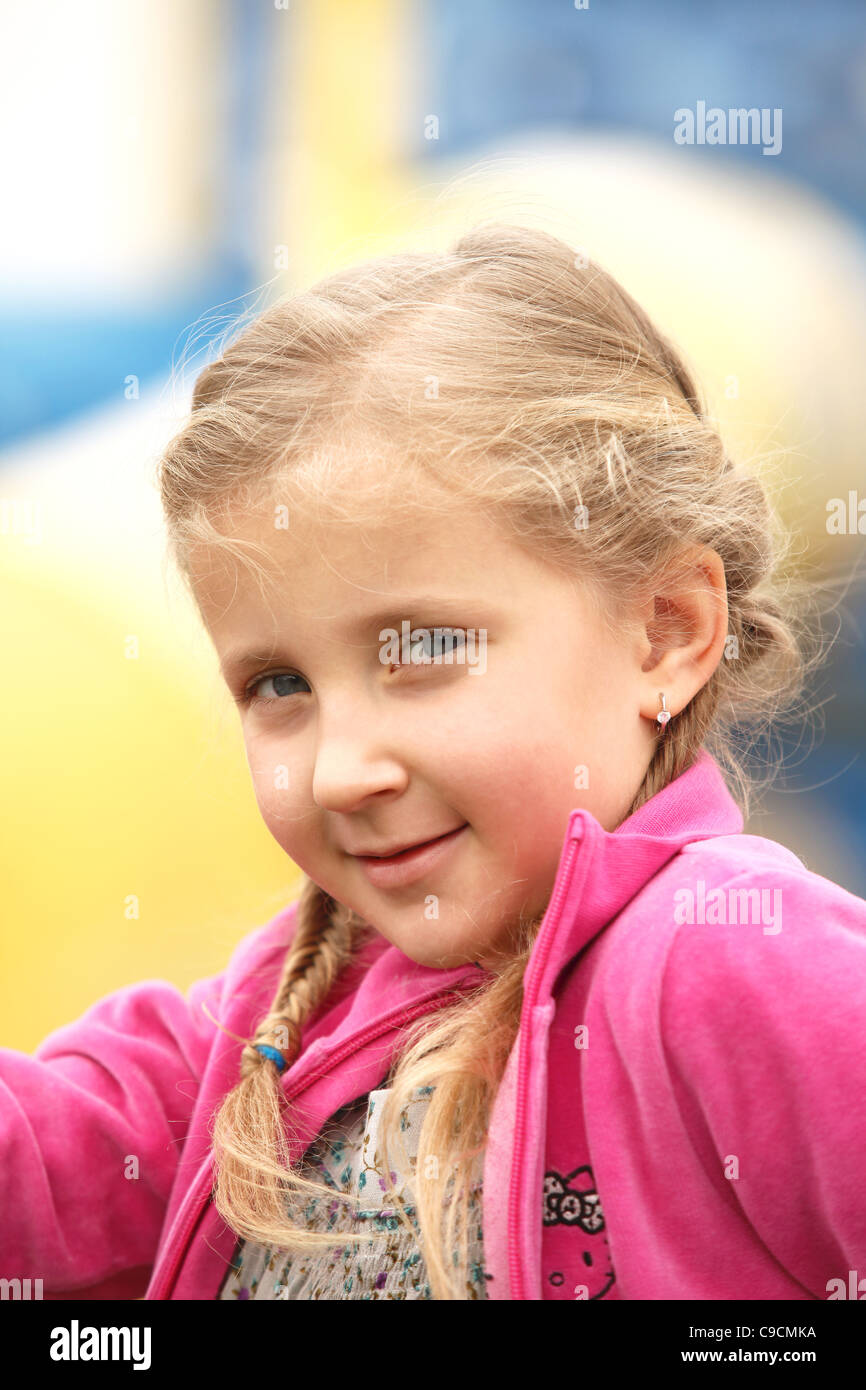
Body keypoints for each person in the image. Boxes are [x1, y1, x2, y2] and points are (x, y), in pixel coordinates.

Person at [3, 223, 865, 1301]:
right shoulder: (274, 1021)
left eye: (419, 651)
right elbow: (32, 1169)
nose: (338, 769)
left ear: (664, 631)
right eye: (279, 686)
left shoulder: (733, 961)